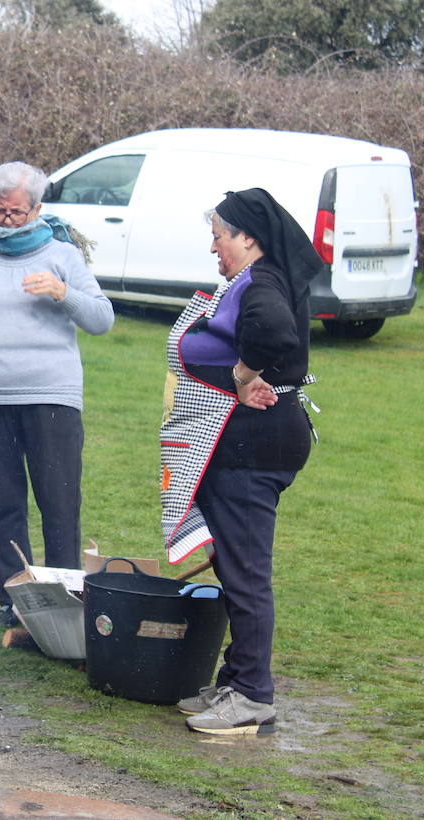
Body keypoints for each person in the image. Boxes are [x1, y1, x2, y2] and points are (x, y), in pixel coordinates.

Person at [161, 188, 321, 735]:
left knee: (247, 574)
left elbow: (274, 333)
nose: (214, 248)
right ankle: (236, 676)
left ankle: (253, 694)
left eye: (219, 235)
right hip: (250, 442)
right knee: (234, 566)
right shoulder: (257, 279)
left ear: (248, 237)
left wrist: (242, 374)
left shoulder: (262, 282)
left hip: (255, 446)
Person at [0, 161, 114, 629]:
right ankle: (14, 604)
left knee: (58, 503)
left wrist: (62, 292)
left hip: (51, 396)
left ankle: (64, 605)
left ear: (36, 208)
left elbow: (101, 319)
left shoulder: (62, 255)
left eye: (15, 212)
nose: (4, 220)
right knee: (5, 504)